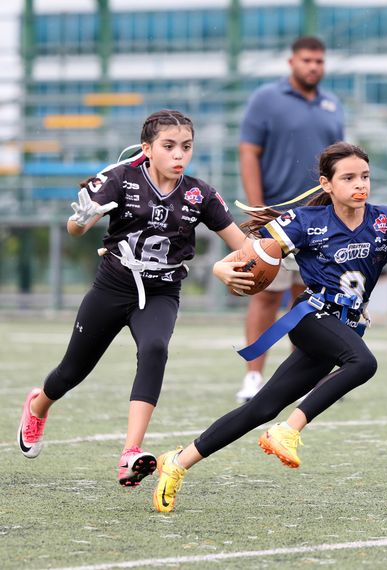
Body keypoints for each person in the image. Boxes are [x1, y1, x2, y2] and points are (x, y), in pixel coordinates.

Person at [151, 142, 387, 512]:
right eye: (348, 178)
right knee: (364, 364)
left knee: (260, 408)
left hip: (343, 326)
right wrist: (220, 268)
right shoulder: (306, 222)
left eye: (364, 176)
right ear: (327, 185)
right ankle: (289, 429)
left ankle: (178, 462)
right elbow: (251, 252)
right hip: (312, 316)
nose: (359, 184)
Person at [16, 110, 248, 487]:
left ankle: (130, 452)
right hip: (114, 286)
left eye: (186, 147)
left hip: (162, 290)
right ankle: (38, 404)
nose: (179, 155)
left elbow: (242, 246)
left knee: (155, 348)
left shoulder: (199, 193)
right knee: (72, 372)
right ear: (147, 148)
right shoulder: (120, 179)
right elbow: (75, 229)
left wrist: (274, 252)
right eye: (169, 146)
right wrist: (82, 217)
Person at [237, 36, 345, 403]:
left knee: (310, 301)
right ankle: (253, 377)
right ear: (292, 62)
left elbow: (341, 165)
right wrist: (256, 208)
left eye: (319, 61)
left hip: (321, 220)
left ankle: (304, 378)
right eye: (307, 60)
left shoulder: (332, 105)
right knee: (267, 295)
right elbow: (249, 152)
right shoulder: (266, 99)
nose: (314, 66)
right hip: (277, 218)